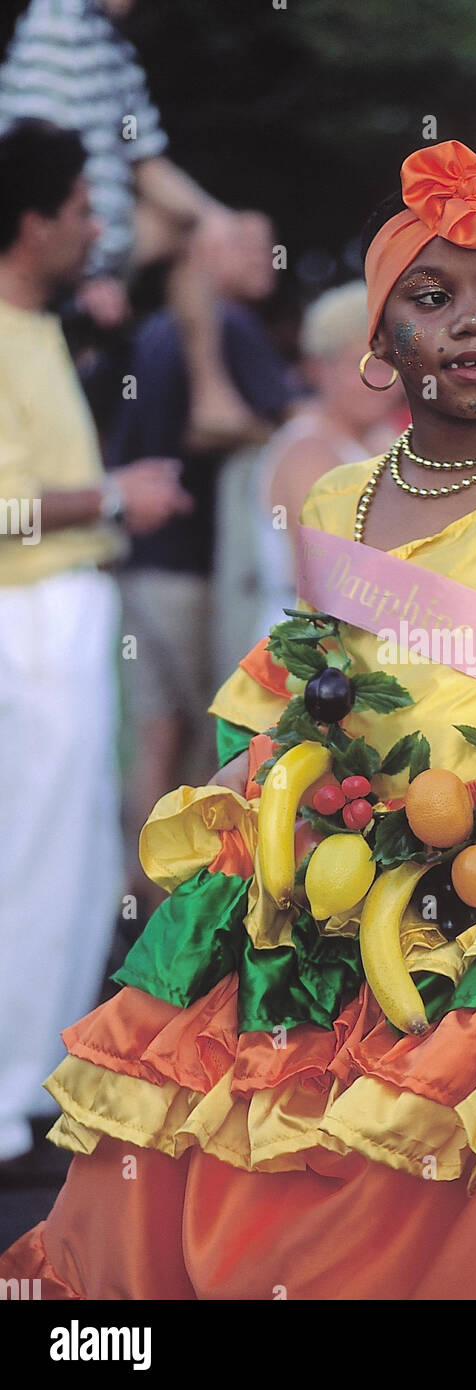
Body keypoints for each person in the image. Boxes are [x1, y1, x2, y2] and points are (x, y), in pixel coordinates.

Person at [0, 140, 476, 1300]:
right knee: (287, 1156)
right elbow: (296, 688)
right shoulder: (332, 501)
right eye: (432, 296)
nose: (474, 322)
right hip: (344, 880)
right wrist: (267, 817)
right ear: (379, 344)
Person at [0, 119, 191, 1166]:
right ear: (33, 223)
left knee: (70, 861)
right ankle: (3, 1094)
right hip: (25, 611)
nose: (96, 226)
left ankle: (32, 1086)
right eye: (80, 208)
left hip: (66, 608)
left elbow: (181, 229)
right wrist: (117, 494)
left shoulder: (44, 321)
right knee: (30, 855)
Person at [106, 208, 291, 920]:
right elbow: (236, 424)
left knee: (155, 741)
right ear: (210, 254)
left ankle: (135, 907)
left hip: (144, 566)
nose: (266, 260)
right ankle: (183, 924)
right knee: (213, 753)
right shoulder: (230, 327)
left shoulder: (158, 330)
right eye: (250, 246)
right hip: (192, 574)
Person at [0, 0, 270, 447]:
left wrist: (216, 220)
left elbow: (145, 160)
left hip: (96, 238)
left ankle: (212, 402)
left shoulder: (112, 46)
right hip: (54, 248)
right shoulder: (59, 22)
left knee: (185, 231)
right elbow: (40, 167)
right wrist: (85, 274)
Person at [255, 280, 406, 635]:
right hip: (310, 645)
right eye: (363, 364)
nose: (379, 381)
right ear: (319, 368)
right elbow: (330, 574)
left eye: (389, 365)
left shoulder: (387, 441)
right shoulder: (306, 449)